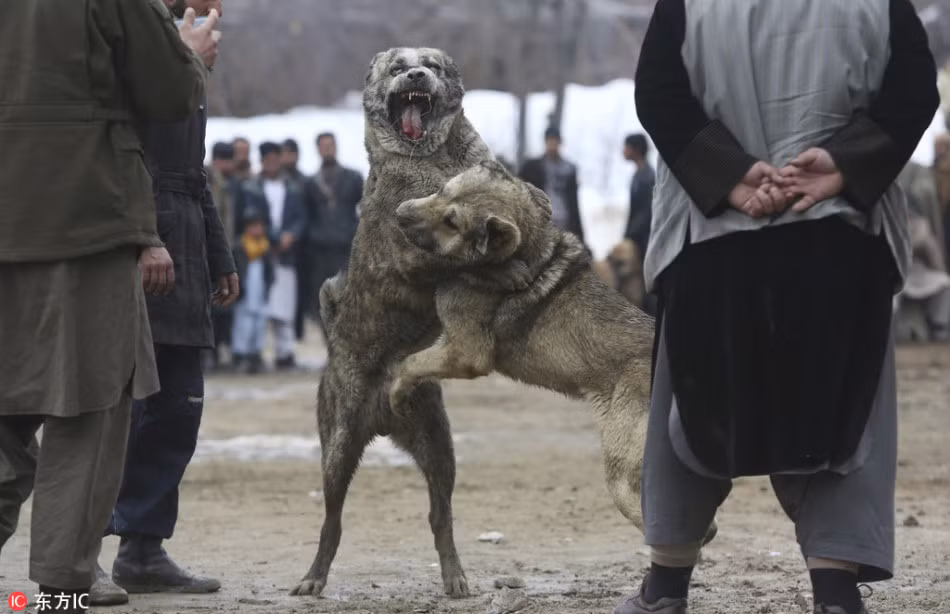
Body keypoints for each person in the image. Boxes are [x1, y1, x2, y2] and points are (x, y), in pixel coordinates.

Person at [620, 1, 938, 614]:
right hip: (840, 234)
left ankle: (664, 588)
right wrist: (844, 164)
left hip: (711, 235)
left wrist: (731, 176)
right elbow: (913, 90)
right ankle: (836, 594)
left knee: (688, 410)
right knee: (846, 416)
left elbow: (658, 91)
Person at [0, 2, 211, 612]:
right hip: (83, 214)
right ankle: (64, 584)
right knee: (90, 400)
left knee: (6, 401)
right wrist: (191, 58)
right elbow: (169, 93)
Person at [90, 0, 239, 604]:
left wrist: (220, 254)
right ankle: (81, 555)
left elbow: (193, 173)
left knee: (178, 410)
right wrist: (146, 237)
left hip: (186, 252)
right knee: (117, 413)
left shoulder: (187, 66)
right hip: (135, 246)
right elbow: (122, 157)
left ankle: (143, 548)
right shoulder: (130, 36)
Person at [235, 141, 307, 370]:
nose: (273, 164)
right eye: (268, 160)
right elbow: (248, 218)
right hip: (258, 254)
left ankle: (285, 352)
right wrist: (272, 238)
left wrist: (290, 236)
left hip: (286, 256)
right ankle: (251, 352)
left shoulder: (293, 187)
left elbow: (301, 218)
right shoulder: (251, 188)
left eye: (276, 159)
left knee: (284, 306)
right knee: (255, 305)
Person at [302, 132, 363, 344]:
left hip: (346, 248)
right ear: (318, 149)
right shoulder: (310, 183)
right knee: (323, 301)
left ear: (336, 147)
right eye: (323, 146)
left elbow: (366, 206)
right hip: (319, 251)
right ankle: (331, 346)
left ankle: (349, 347)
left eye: (330, 145)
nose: (327, 149)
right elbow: (305, 214)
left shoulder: (353, 178)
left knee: (348, 299)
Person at [518, 127, 586, 245]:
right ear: (545, 142)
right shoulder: (533, 167)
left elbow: (574, 203)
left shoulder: (569, 169)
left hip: (565, 221)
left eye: (555, 141)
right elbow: (519, 186)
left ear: (560, 142)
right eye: (549, 140)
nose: (552, 144)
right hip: (542, 220)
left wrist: (580, 233)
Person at [231, 207, 277, 373]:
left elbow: (271, 271)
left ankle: (255, 354)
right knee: (243, 323)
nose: (257, 229)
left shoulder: (265, 247)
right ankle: (240, 355)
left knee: (259, 323)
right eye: (254, 226)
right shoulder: (239, 246)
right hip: (245, 291)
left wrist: (269, 284)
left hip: (261, 291)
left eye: (260, 226)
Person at [206, 141, 240, 370]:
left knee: (222, 306)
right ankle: (208, 353)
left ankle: (219, 351)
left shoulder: (230, 183)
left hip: (224, 251)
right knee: (209, 305)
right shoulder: (208, 179)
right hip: (207, 253)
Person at [622, 133, 657, 315]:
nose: (624, 151)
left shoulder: (648, 176)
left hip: (646, 239)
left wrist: (631, 235)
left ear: (635, 149)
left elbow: (646, 212)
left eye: (626, 146)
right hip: (638, 238)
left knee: (648, 282)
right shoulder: (638, 175)